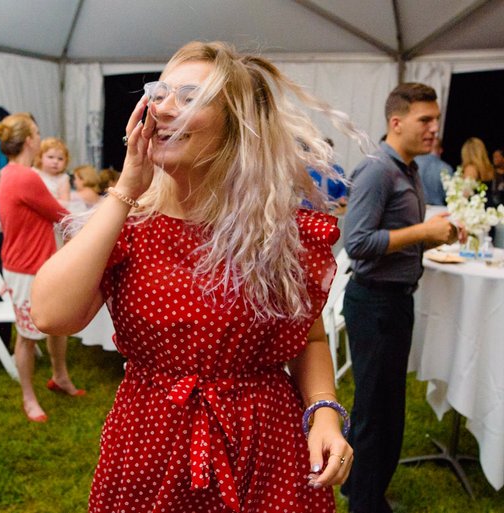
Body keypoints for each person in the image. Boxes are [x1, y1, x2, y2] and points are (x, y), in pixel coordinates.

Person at [31, 41, 354, 512]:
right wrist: (125, 190)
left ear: (236, 125)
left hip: (265, 446)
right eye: (159, 93)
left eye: (188, 96)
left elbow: (309, 340)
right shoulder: (130, 222)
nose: (162, 107)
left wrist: (323, 409)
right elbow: (50, 314)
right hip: (151, 441)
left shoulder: (276, 229)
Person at [342, 82, 462, 513]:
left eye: (436, 120)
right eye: (424, 120)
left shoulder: (408, 168)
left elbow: (394, 240)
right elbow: (356, 243)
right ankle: (367, 505)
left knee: (383, 408)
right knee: (378, 416)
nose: (434, 128)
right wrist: (422, 232)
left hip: (394, 302)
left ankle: (359, 489)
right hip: (373, 303)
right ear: (397, 122)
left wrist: (434, 237)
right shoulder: (377, 169)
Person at [0, 112, 82, 424]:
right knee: (27, 335)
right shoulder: (24, 176)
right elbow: (61, 214)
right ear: (30, 140)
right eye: (37, 131)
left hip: (38, 262)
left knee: (56, 323)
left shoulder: (12, 173)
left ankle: (60, 377)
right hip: (26, 267)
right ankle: (28, 398)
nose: (39, 135)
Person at [307, 138, 348, 213]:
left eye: (328, 150)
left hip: (331, 211)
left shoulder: (338, 171)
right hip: (309, 209)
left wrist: (342, 203)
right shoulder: (308, 170)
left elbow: (343, 192)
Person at [414, 136, 452, 205]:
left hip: (415, 207)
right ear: (440, 150)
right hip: (438, 210)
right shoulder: (446, 168)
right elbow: (450, 195)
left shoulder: (413, 162)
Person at [461, 137, 496, 208]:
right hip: (489, 206)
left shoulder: (471, 168)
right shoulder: (488, 168)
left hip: (477, 208)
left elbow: (466, 193)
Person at [34, 137, 71, 204]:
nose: (55, 161)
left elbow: (65, 202)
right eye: (50, 157)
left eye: (60, 159)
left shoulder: (63, 179)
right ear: (40, 157)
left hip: (54, 210)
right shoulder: (34, 173)